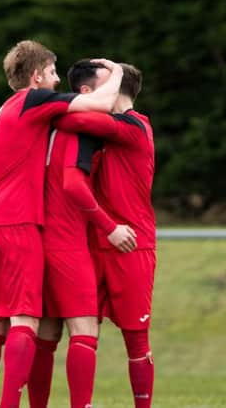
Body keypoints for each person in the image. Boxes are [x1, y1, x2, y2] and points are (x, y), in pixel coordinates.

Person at [0, 40, 126, 408]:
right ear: (37, 75)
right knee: (25, 322)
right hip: (17, 222)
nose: (58, 82)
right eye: (54, 73)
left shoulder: (1, 111)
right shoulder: (32, 100)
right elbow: (101, 105)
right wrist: (118, 71)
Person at [27, 60, 137, 408]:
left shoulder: (48, 121)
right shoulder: (83, 127)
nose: (115, 93)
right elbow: (73, 184)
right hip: (66, 239)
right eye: (111, 86)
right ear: (88, 93)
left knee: (46, 334)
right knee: (84, 331)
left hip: (39, 234)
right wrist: (110, 227)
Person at [52, 62, 156, 408]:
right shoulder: (102, 132)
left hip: (132, 244)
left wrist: (42, 107)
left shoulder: (134, 126)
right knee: (83, 334)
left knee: (136, 339)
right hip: (93, 242)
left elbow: (69, 118)